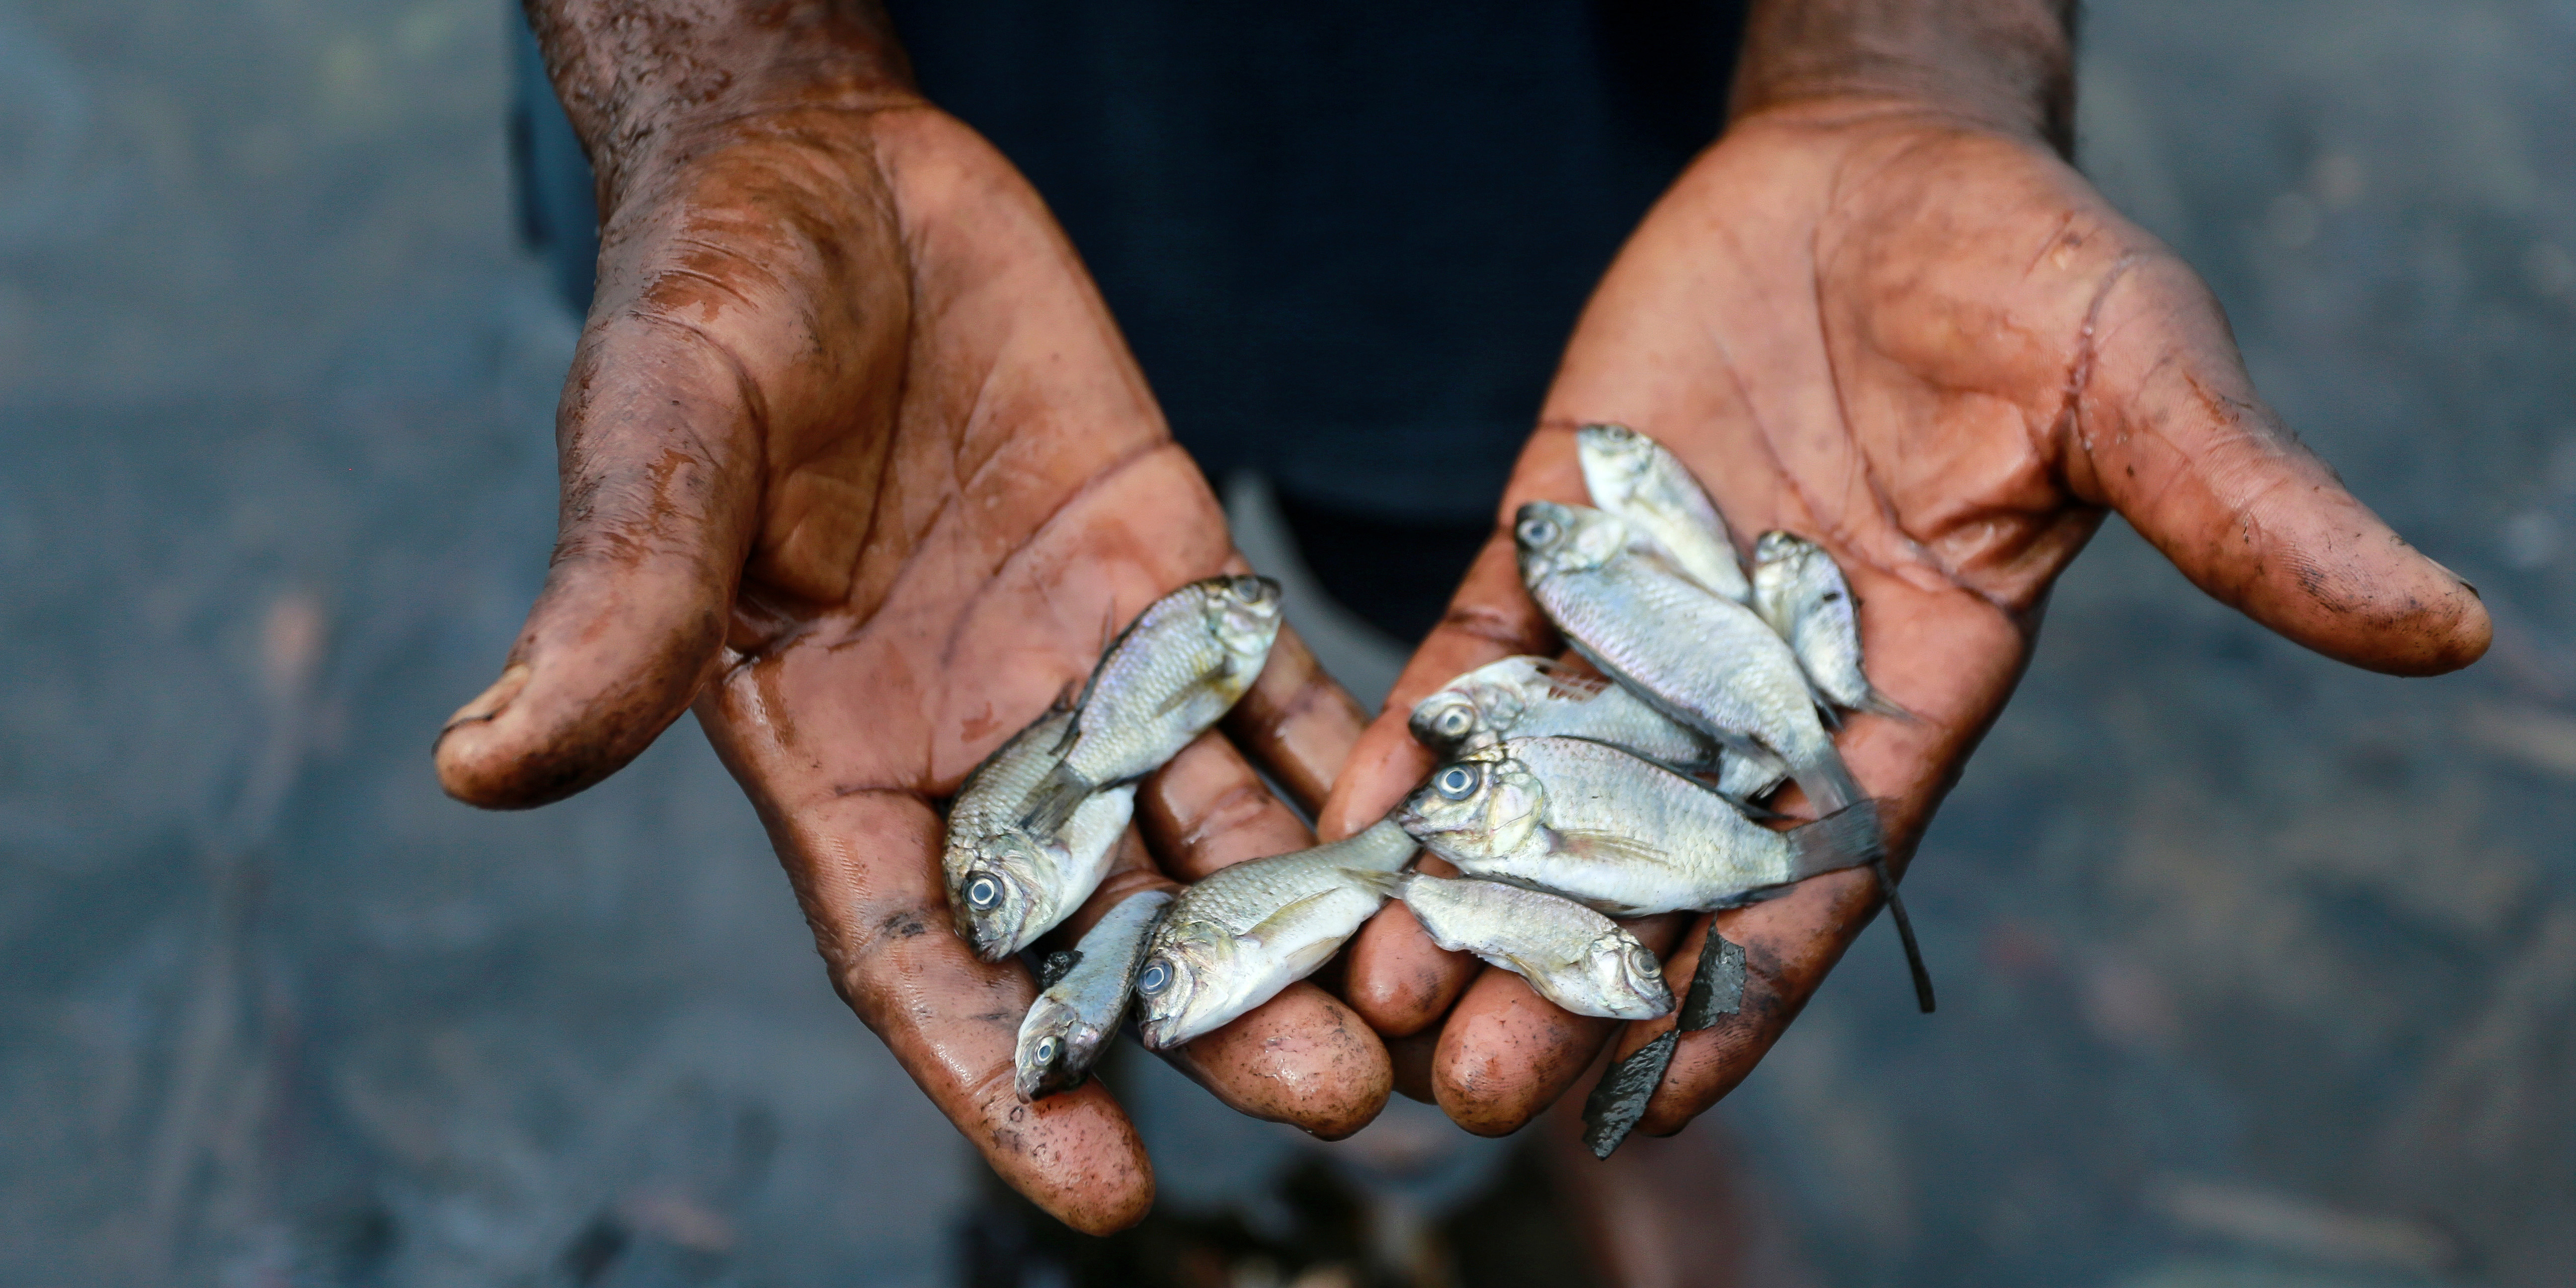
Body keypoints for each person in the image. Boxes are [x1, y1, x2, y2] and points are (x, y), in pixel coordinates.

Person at [440, 0, 2490, 1237]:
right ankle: (1117, 1041)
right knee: (901, 592)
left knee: (1460, 574)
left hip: (1595, 109)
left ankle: (1593, 1092)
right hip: (885, 84)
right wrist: (727, 85)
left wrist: (1899, 52)